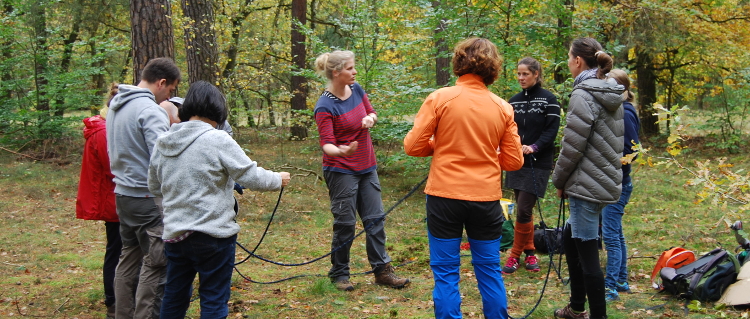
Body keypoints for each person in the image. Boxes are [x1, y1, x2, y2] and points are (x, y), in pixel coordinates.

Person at [148, 81, 291, 319]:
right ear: (218, 111)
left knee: (174, 296)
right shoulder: (218, 139)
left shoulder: (163, 142)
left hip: (176, 235)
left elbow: (154, 185)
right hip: (213, 236)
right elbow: (250, 175)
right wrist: (278, 179)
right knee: (214, 299)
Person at [404, 37, 524, 319]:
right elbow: (513, 161)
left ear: (458, 62)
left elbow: (413, 146)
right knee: (490, 269)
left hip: (444, 196)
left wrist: (442, 144)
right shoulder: (502, 107)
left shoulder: (440, 98)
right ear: (493, 68)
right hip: (485, 199)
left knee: (446, 273)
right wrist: (483, 151)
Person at [313, 50, 409, 292]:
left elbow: (372, 111)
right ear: (336, 72)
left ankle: (382, 271)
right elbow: (326, 143)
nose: (355, 72)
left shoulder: (356, 89)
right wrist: (341, 151)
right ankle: (339, 274)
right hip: (341, 169)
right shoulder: (324, 105)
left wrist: (370, 119)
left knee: (375, 219)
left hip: (367, 167)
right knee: (345, 223)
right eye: (350, 68)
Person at [551, 37, 625, 319]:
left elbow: (572, 148)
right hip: (601, 179)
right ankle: (577, 307)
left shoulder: (583, 94)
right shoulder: (610, 91)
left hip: (585, 184)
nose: (568, 63)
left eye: (569, 58)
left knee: (588, 257)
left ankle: (597, 315)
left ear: (578, 61)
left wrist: (559, 181)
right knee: (571, 240)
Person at [107, 57, 180, 319]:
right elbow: (161, 158)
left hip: (123, 196)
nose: (169, 96)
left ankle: (122, 314)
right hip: (147, 198)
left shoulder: (117, 104)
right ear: (161, 82)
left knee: (128, 259)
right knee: (157, 265)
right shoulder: (150, 110)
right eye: (170, 90)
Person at [502, 57, 561, 275]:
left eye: (525, 74)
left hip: (538, 162)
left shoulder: (549, 100)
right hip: (516, 161)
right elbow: (507, 130)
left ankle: (514, 255)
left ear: (536, 74)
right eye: (518, 73)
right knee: (523, 209)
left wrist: (534, 147)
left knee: (524, 209)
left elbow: (551, 131)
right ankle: (530, 252)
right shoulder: (513, 101)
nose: (521, 78)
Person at [75, 83, 122, 319]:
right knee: (117, 250)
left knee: (120, 249)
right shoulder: (104, 132)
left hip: (115, 198)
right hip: (114, 200)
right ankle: (113, 301)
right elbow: (114, 167)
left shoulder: (106, 127)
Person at [602, 69, 640, 302]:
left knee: (611, 236)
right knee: (616, 232)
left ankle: (611, 285)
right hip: (614, 181)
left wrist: (610, 162)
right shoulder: (618, 111)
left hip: (618, 183)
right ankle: (622, 279)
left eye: (614, 88)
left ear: (625, 90)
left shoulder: (625, 113)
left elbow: (631, 151)